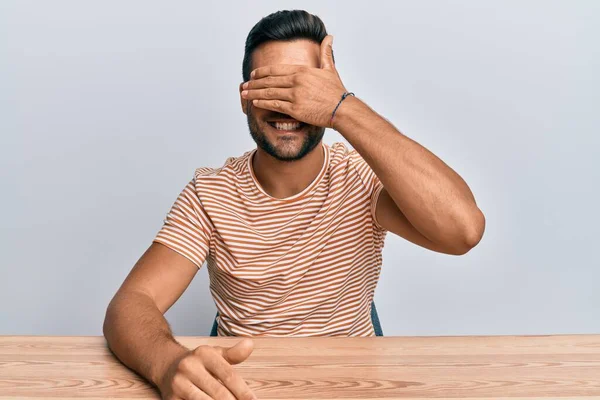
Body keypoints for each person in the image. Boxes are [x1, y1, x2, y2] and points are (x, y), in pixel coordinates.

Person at [103, 9, 485, 400]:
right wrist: (166, 363)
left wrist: (343, 108)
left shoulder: (361, 177)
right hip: (247, 385)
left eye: (304, 88)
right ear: (244, 99)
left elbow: (464, 231)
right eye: (272, 87)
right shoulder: (211, 193)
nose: (289, 106)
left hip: (352, 383)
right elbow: (131, 304)